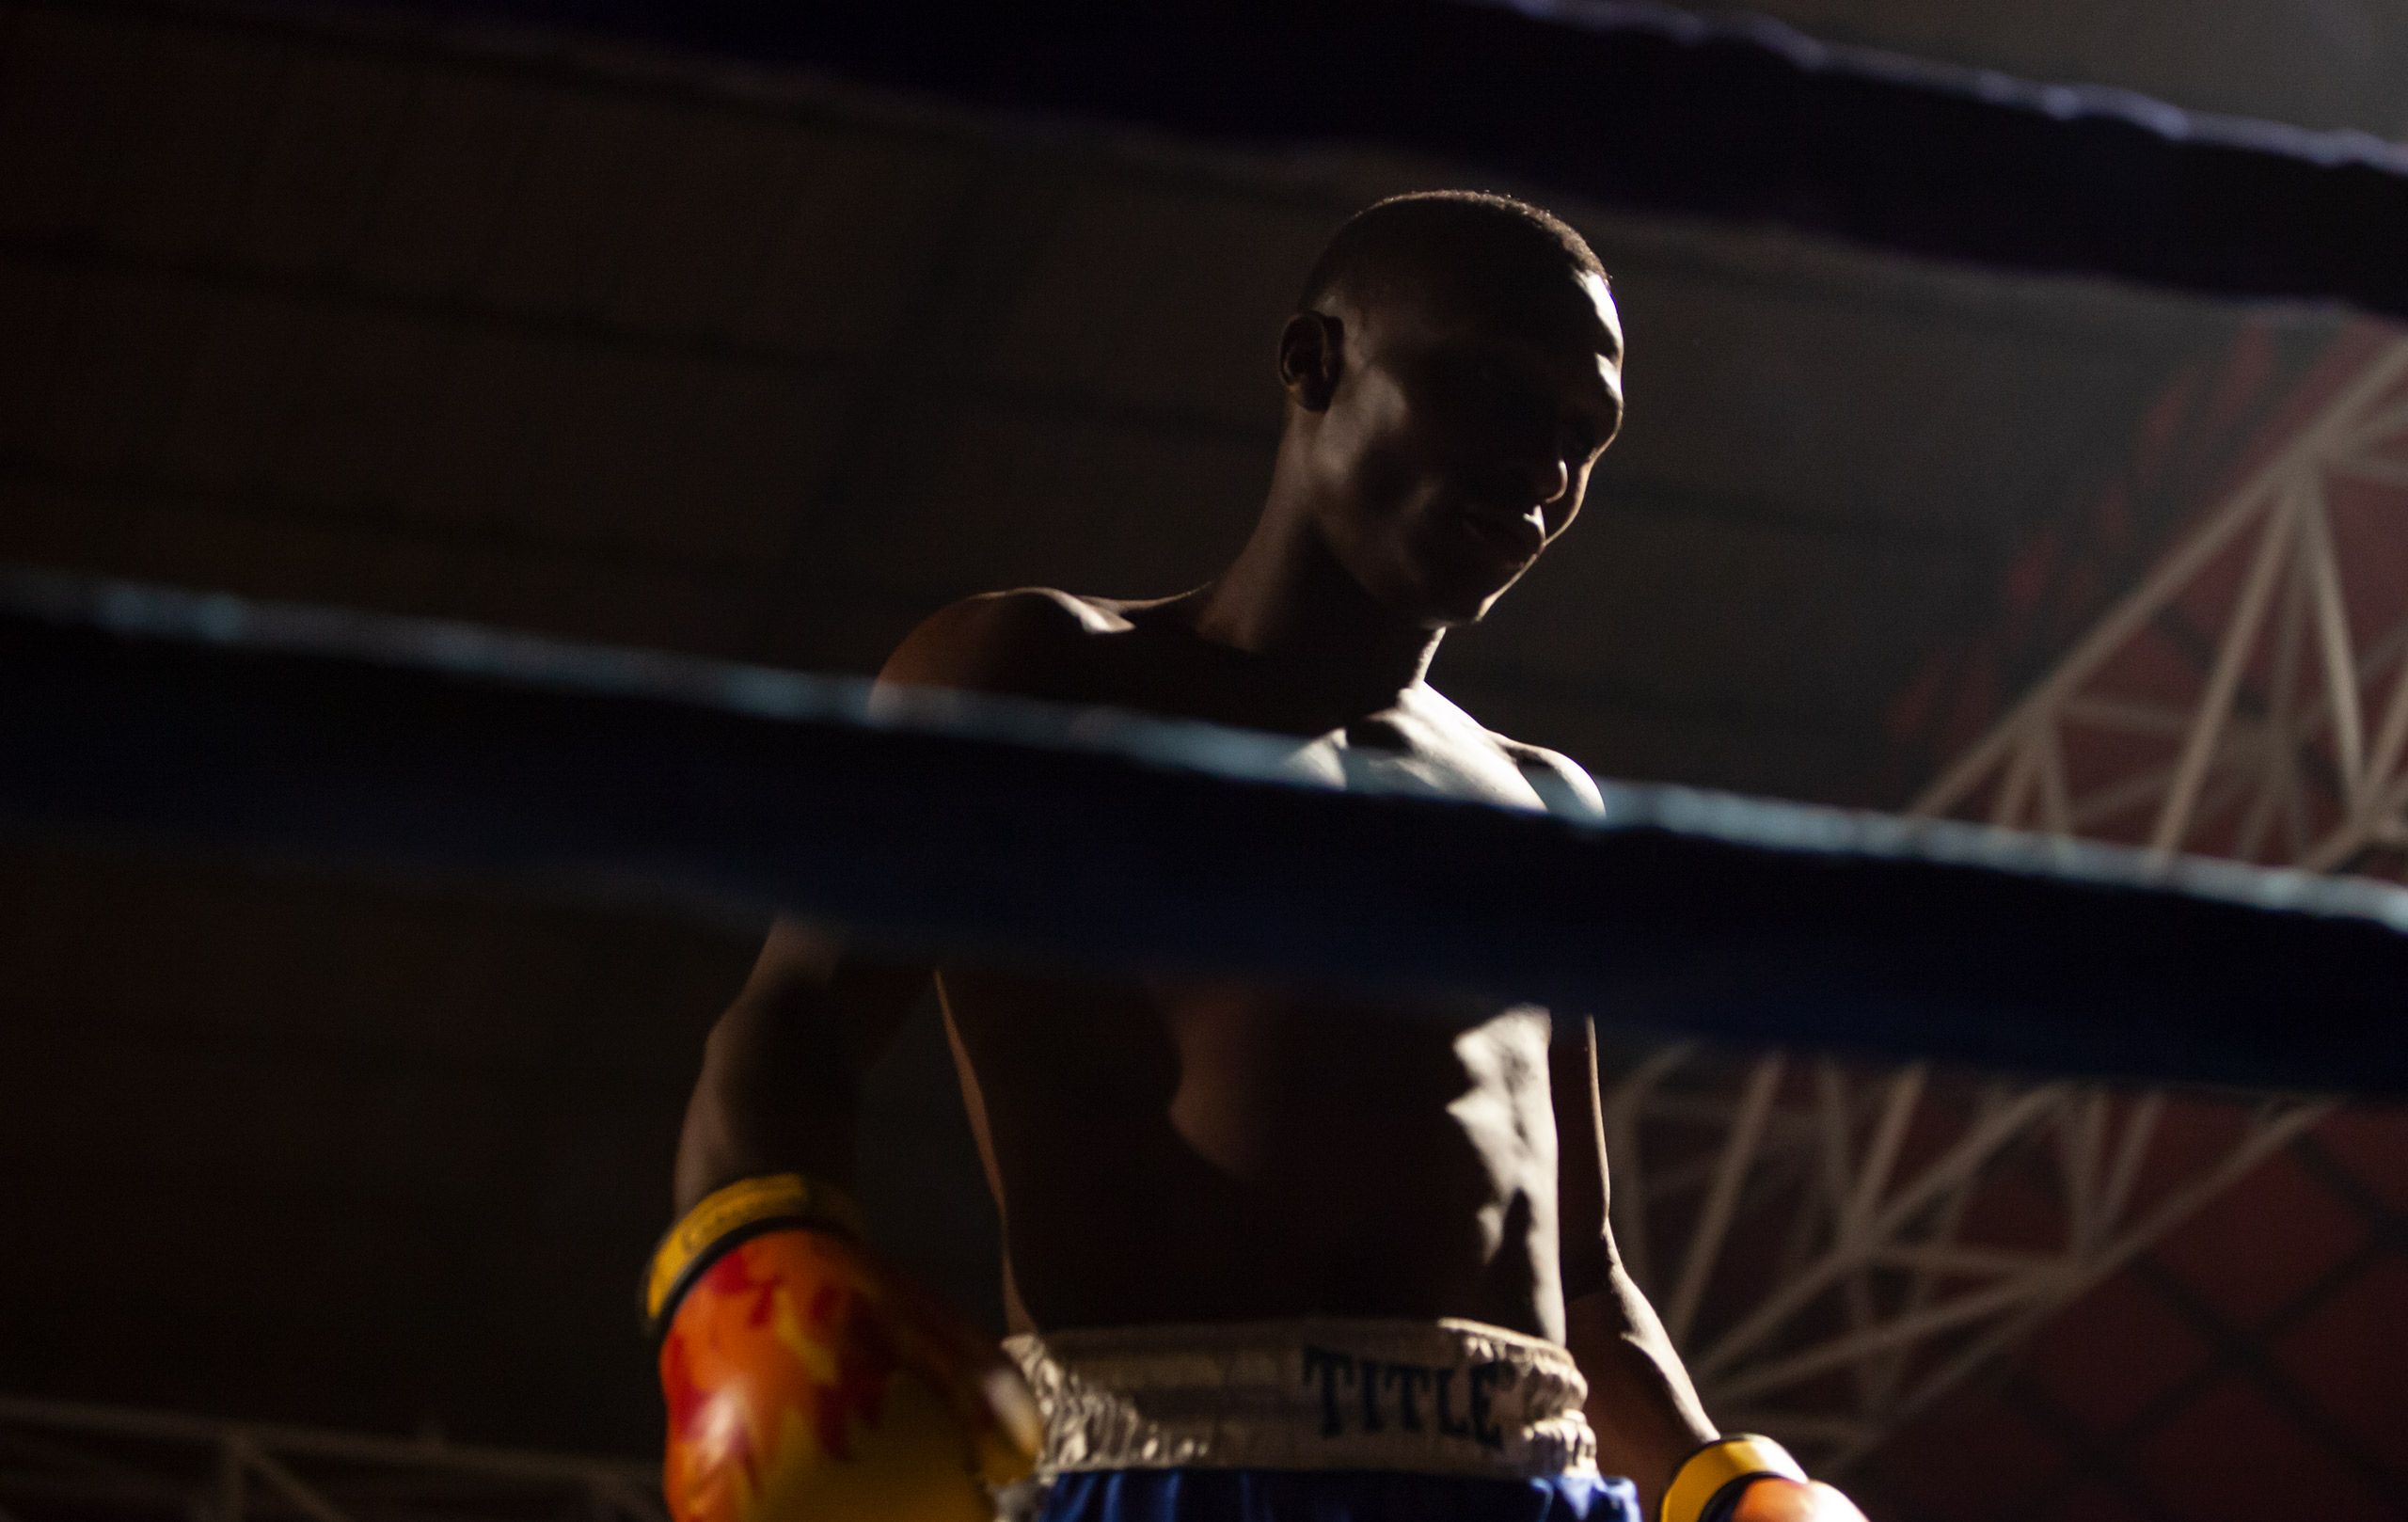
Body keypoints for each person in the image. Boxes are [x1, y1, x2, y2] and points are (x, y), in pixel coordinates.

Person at [643, 192, 1868, 1522]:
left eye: (1585, 434)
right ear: (1314, 362)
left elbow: (1578, 1273)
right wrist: (761, 1282)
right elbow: (792, 1027)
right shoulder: (1037, 678)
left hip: (1539, 1481)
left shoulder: (1540, 799)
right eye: (1498, 394)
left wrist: (1716, 1482)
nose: (1546, 466)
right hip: (1177, 1466)